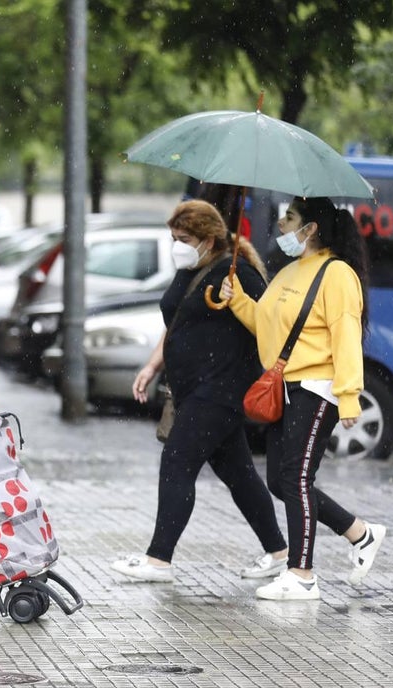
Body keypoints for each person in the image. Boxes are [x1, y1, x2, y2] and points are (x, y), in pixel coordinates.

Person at [111, 200, 289, 583]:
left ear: (209, 239)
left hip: (221, 389)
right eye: (173, 237)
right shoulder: (189, 267)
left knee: (177, 462)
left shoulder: (238, 272)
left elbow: (269, 326)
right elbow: (177, 322)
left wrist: (236, 296)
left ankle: (159, 560)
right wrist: (152, 364)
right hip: (192, 390)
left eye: (185, 238)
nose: (177, 244)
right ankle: (279, 552)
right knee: (239, 474)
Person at [220, 196, 386, 601]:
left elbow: (346, 336)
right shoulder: (290, 271)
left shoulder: (338, 274)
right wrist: (236, 297)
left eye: (290, 217)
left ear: (310, 229)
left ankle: (303, 574)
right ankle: (361, 534)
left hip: (318, 387)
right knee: (280, 479)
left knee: (295, 479)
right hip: (286, 387)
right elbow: (264, 323)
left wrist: (349, 397)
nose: (280, 223)